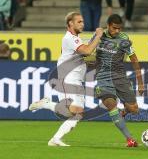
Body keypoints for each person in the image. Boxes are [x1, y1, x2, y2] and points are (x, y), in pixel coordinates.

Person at [29, 12, 103, 146]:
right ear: (71, 23)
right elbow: (87, 51)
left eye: (82, 21)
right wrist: (98, 36)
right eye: (79, 22)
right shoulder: (70, 38)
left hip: (76, 79)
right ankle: (48, 112)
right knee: (75, 112)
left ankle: (54, 137)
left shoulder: (76, 39)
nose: (82, 24)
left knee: (76, 114)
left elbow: (84, 56)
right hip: (67, 78)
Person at [95, 14, 144, 147]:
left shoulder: (123, 40)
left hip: (119, 76)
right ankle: (130, 139)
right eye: (114, 28)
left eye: (119, 28)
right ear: (108, 25)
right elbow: (88, 52)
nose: (117, 31)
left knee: (134, 109)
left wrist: (141, 83)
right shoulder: (99, 36)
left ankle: (123, 113)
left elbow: (134, 59)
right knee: (110, 104)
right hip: (103, 76)